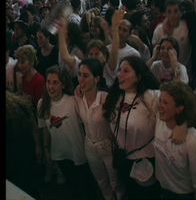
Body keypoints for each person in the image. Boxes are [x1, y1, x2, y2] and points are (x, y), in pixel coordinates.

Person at [103, 55, 185, 199]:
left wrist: (183, 124)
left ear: (138, 76)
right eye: (119, 70)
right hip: (123, 159)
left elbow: (182, 100)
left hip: (145, 161)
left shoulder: (152, 97)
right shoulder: (115, 96)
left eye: (126, 71)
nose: (120, 74)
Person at [37, 65, 96, 200]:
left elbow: (86, 125)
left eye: (55, 82)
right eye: (48, 82)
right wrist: (46, 150)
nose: (50, 87)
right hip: (60, 155)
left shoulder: (73, 101)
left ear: (63, 85)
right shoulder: (42, 104)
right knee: (73, 187)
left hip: (79, 153)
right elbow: (45, 130)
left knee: (87, 187)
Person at [155, 81, 196, 199]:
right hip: (161, 188)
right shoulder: (159, 119)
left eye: (165, 102)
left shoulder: (192, 141)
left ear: (179, 109)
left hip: (182, 195)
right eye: (160, 100)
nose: (159, 105)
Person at [75, 58, 120, 200]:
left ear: (97, 78)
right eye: (79, 74)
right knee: (102, 183)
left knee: (116, 184)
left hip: (107, 146)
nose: (81, 79)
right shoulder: (78, 98)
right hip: (89, 146)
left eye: (86, 75)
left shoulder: (106, 99)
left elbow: (117, 125)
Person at [152, 0, 191, 68]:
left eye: (176, 11)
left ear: (180, 12)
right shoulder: (159, 30)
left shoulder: (186, 25)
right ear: (165, 13)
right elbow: (155, 50)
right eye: (169, 12)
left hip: (184, 67)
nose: (173, 15)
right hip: (164, 71)